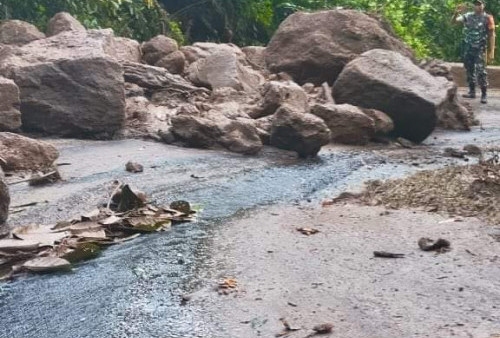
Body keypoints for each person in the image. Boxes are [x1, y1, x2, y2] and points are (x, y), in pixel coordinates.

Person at [452, 0, 496, 104]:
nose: (477, 6)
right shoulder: (468, 16)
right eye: (475, 4)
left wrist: (491, 51)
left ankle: (484, 94)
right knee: (469, 70)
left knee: (481, 72)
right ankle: (472, 92)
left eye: (479, 4)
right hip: (468, 48)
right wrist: (456, 13)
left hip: (480, 49)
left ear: (483, 5)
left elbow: (492, 35)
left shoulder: (488, 18)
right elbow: (453, 23)